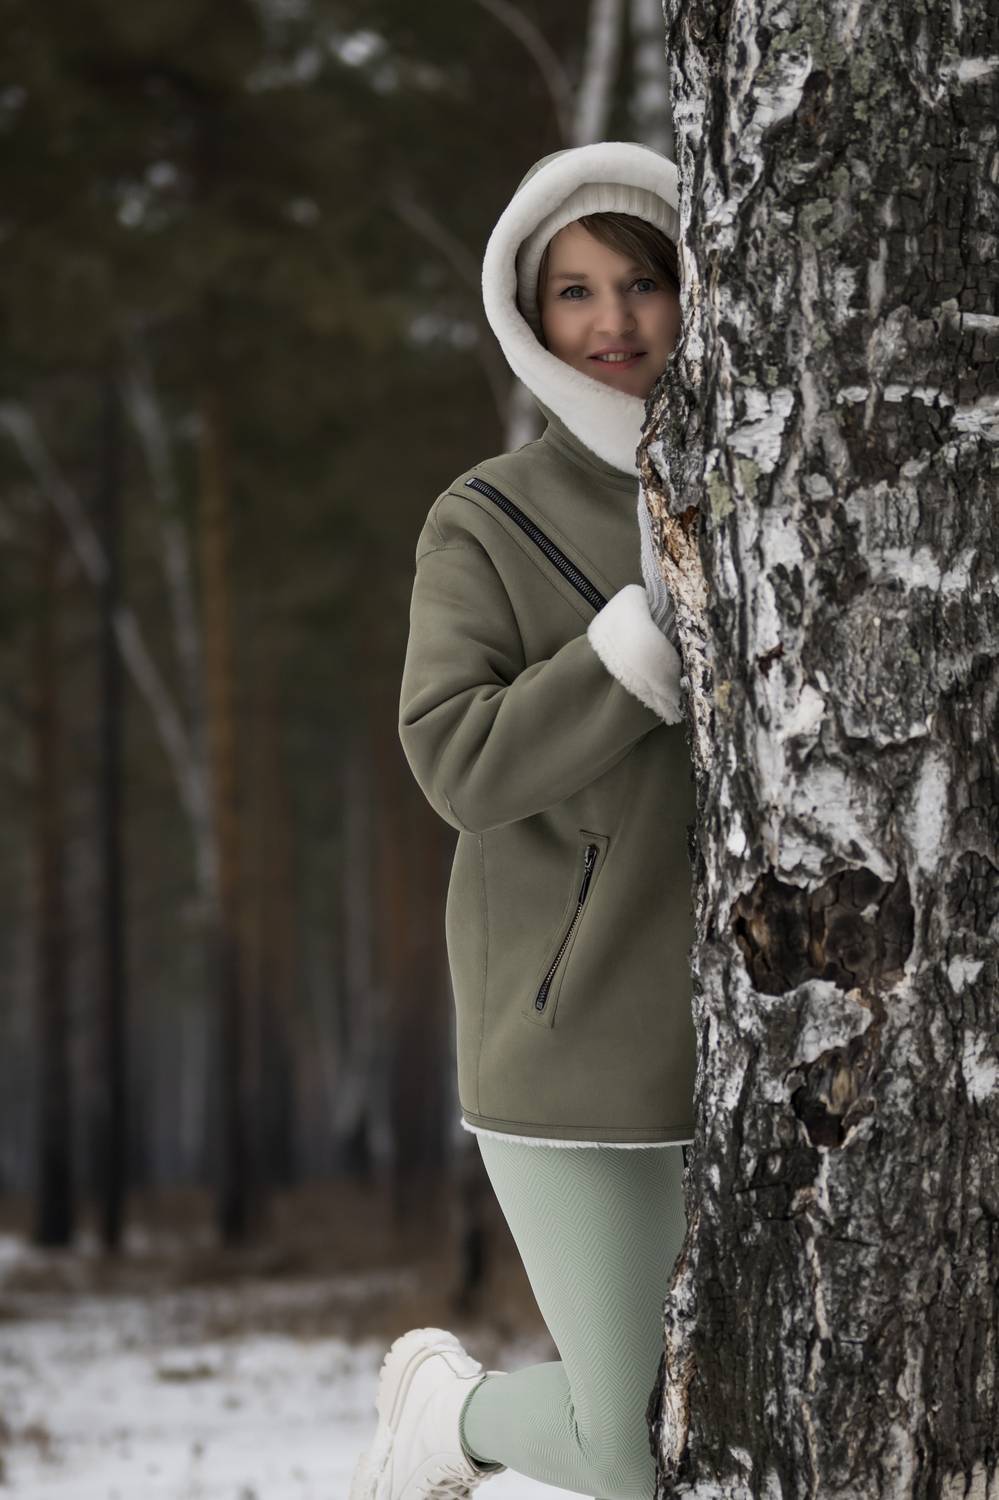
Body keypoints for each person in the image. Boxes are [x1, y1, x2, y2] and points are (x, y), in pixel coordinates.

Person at [350, 140, 696, 1500]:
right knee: (635, 1448)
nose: (615, 321)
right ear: (527, 313)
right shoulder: (487, 518)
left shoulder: (787, 490)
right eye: (575, 291)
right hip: (573, 1037)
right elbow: (453, 755)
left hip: (782, 1034)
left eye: (644, 282)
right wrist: (622, 664)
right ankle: (451, 1418)